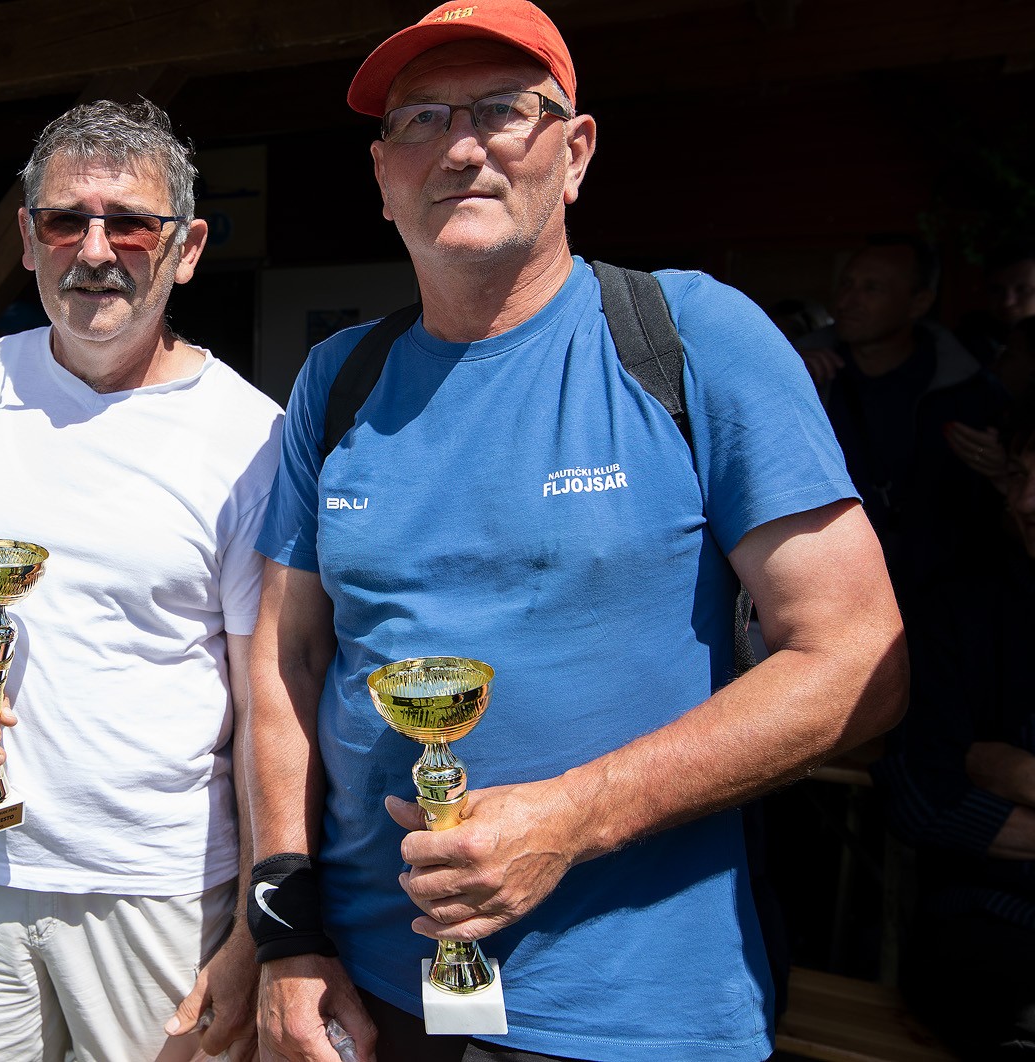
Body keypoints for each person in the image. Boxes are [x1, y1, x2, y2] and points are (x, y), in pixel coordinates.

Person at [247, 4, 907, 1059]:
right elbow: (285, 660)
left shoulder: (689, 337)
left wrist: (571, 817)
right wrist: (284, 932)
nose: (460, 146)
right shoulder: (337, 384)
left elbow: (859, 655)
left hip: (632, 1013)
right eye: (418, 120)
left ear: (576, 151)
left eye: (504, 111)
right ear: (381, 177)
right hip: (370, 997)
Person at [0, 99, 280, 1062]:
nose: (95, 250)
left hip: (154, 886)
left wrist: (260, 928)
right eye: (63, 220)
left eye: (130, 222)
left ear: (188, 245)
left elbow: (269, 705)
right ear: (27, 240)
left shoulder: (251, 437)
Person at [873, 414, 1035, 1059]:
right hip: (989, 930)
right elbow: (919, 796)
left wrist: (1019, 776)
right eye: (1020, 477)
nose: (1025, 502)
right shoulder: (964, 612)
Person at [796, 237, 1006, 606]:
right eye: (846, 284)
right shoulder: (801, 373)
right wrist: (786, 383)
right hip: (832, 591)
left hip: (947, 600)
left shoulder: (970, 391)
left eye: (871, 289)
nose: (845, 302)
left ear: (919, 302)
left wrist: (1003, 468)